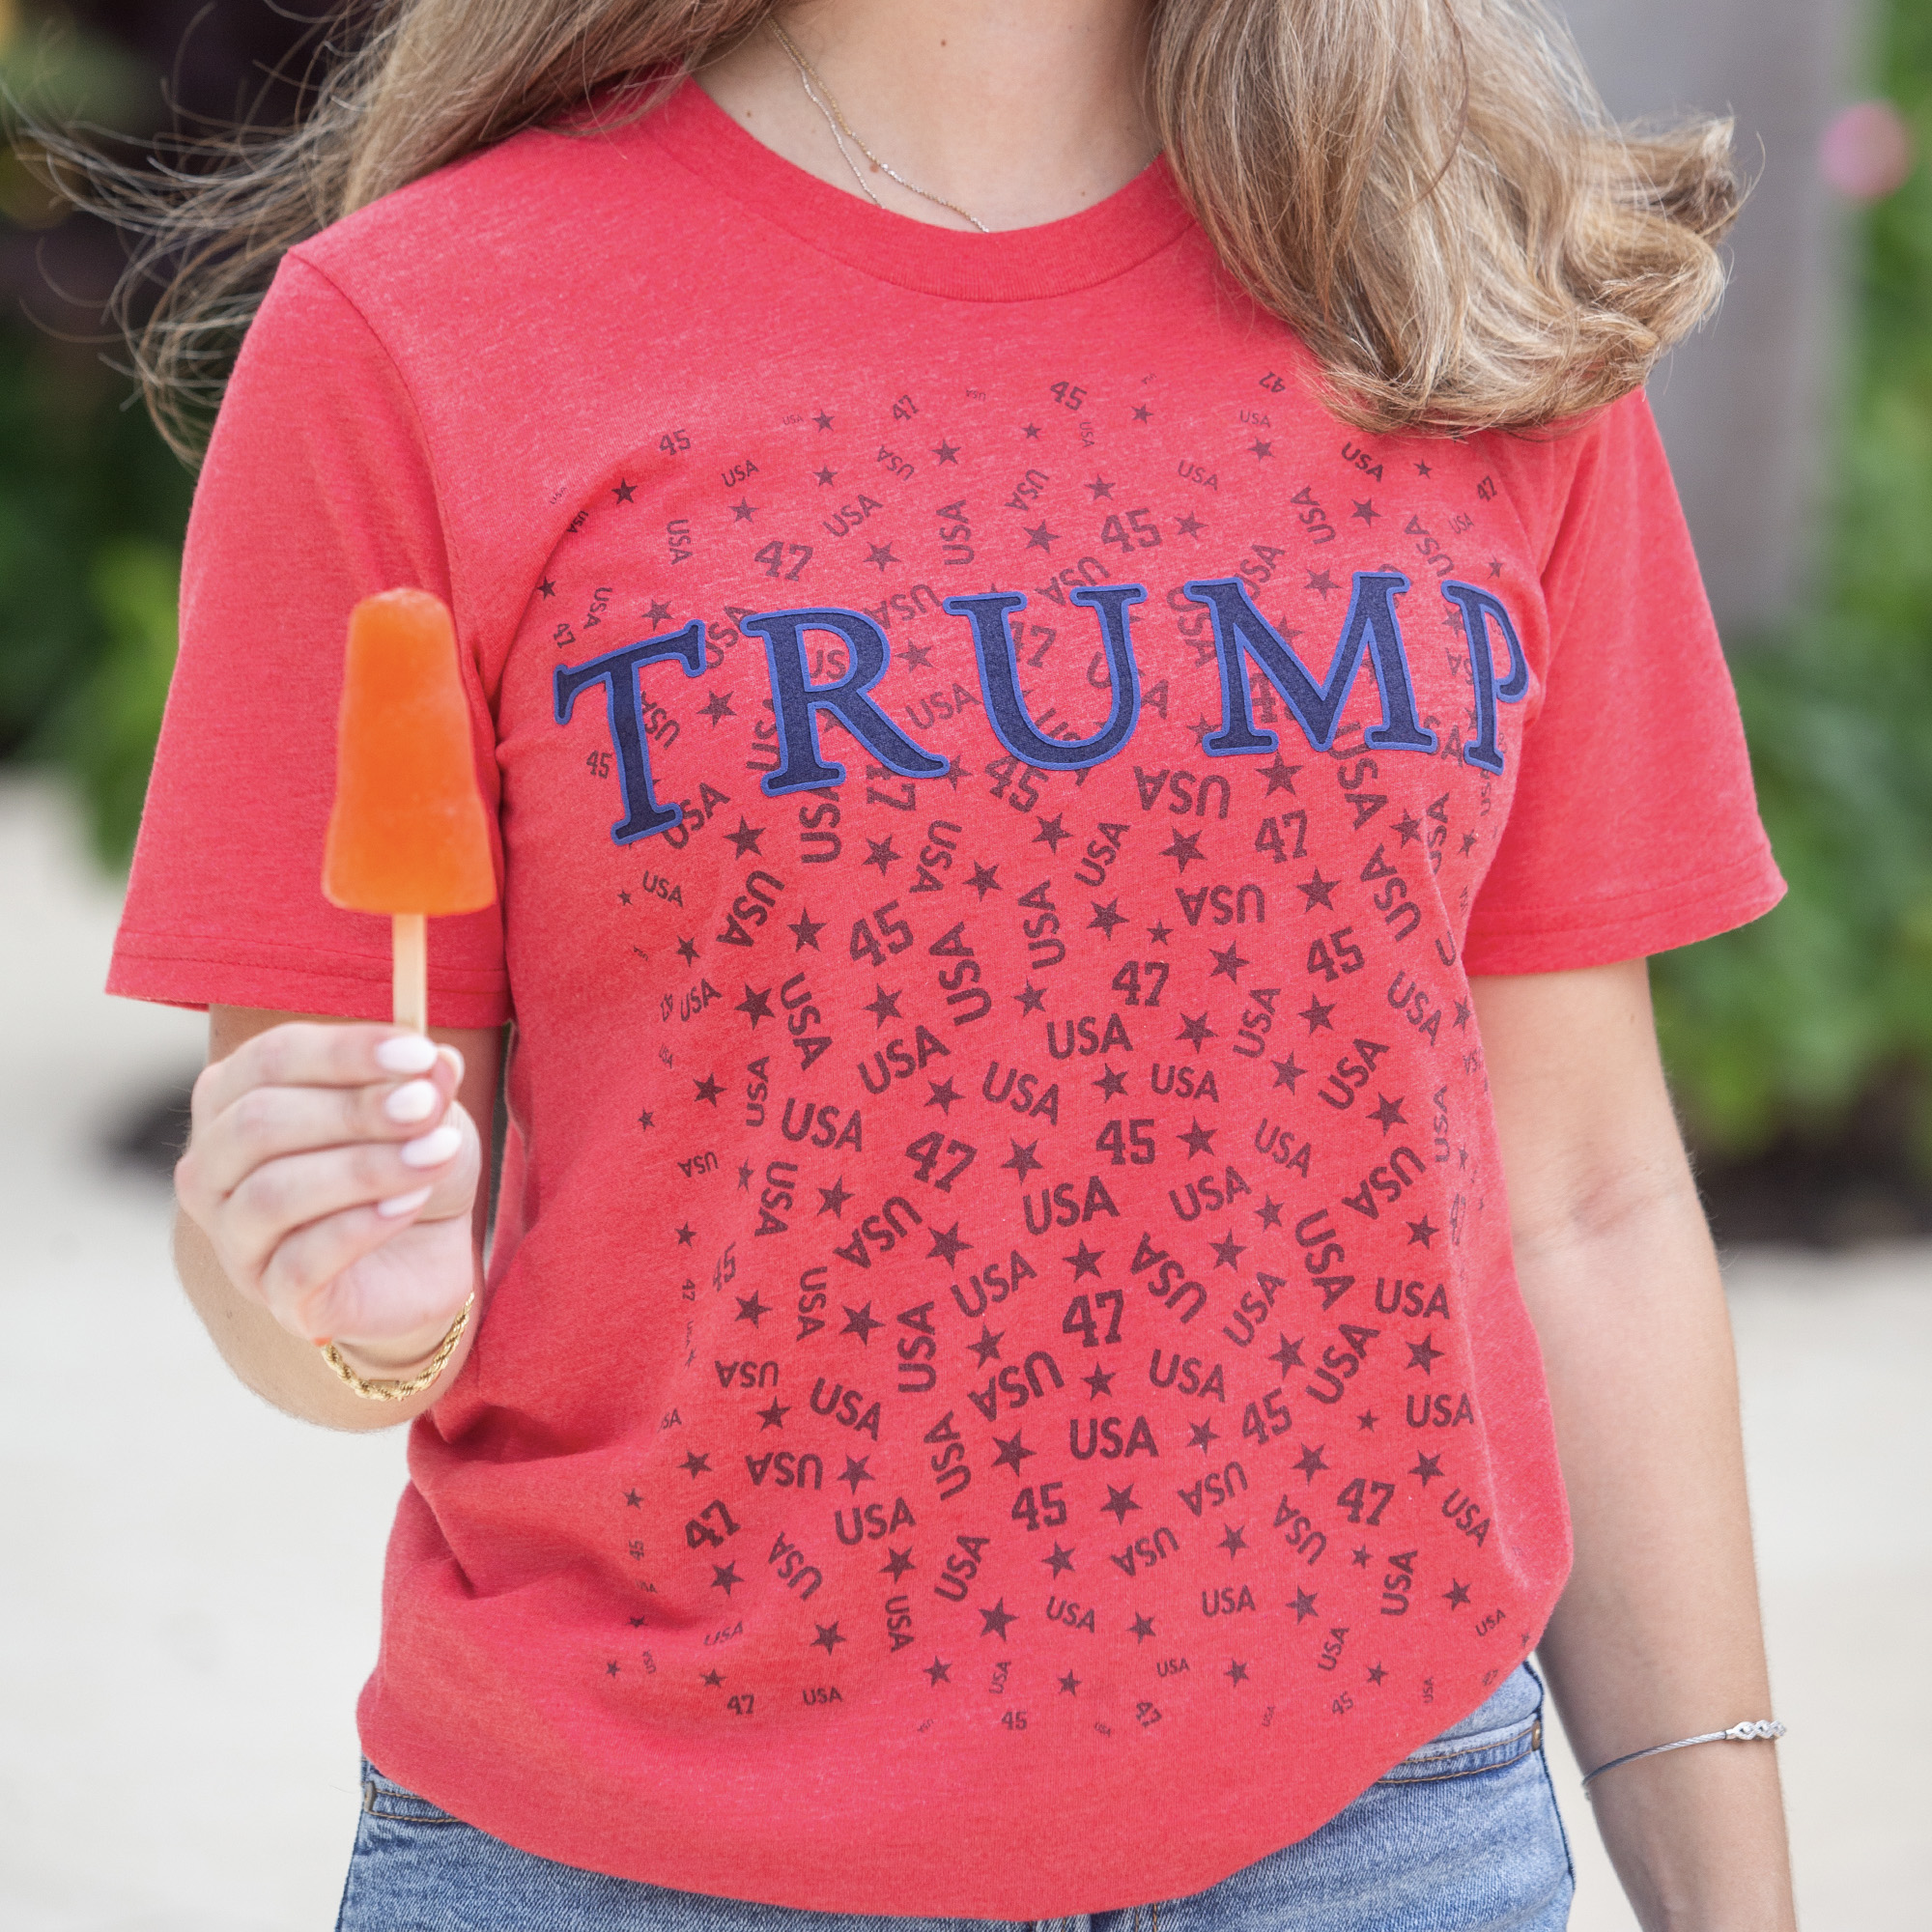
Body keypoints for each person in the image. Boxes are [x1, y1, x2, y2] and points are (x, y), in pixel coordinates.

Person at [96, 1, 1797, 1926]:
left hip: (1380, 1846)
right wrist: (345, 1304)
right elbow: (328, 1263)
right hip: (633, 1862)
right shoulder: (412, 336)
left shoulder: (1454, 287)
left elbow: (1586, 1203)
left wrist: (1734, 1900)